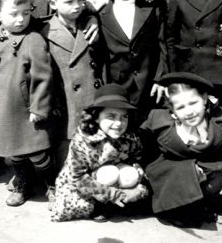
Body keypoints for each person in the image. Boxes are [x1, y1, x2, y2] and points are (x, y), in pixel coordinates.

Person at [140, 72, 222, 228]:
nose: (189, 111)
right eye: (180, 107)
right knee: (178, 210)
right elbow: (141, 147)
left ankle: (204, 201)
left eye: (193, 103)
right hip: (172, 175)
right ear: (172, 110)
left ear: (205, 99)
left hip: (207, 174)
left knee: (218, 180)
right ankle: (179, 205)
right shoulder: (158, 120)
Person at [0, 0, 54, 207]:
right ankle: (23, 184)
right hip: (3, 109)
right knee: (15, 155)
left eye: (25, 13)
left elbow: (43, 77)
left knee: (37, 152)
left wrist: (39, 107)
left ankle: (51, 184)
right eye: (14, 14)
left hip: (26, 109)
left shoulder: (33, 40)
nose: (21, 19)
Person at [51, 83, 149, 222]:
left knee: (130, 174)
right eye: (111, 116)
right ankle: (101, 206)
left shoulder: (131, 136)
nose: (118, 123)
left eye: (124, 117)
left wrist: (138, 187)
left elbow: (139, 160)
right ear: (96, 117)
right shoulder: (83, 139)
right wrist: (110, 194)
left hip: (118, 180)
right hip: (89, 185)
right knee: (108, 173)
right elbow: (77, 177)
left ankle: (121, 202)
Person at [41, 0, 104, 169]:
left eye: (80, 0)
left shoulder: (90, 24)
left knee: (93, 144)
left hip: (91, 98)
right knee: (64, 148)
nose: (77, 6)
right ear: (53, 4)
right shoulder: (44, 30)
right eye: (69, 2)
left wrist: (93, 18)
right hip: (64, 102)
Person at [96, 0, 167, 122]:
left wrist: (160, 79)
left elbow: (163, 45)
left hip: (149, 87)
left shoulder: (152, 7)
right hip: (118, 88)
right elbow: (100, 54)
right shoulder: (102, 13)